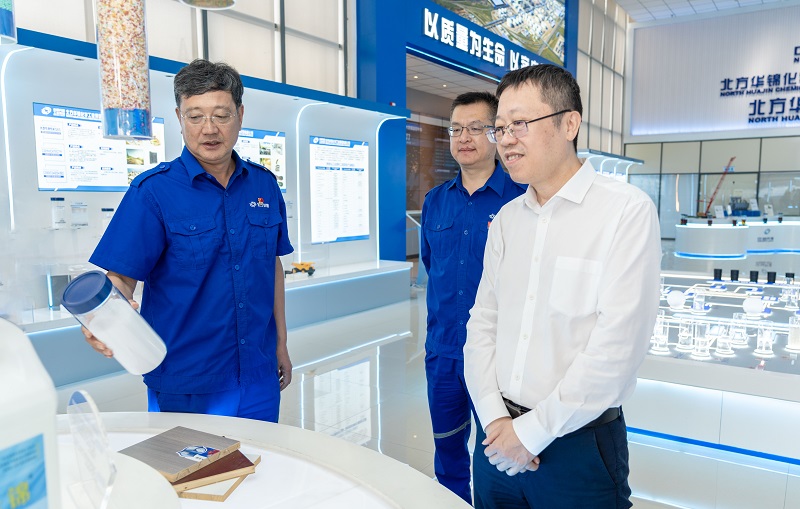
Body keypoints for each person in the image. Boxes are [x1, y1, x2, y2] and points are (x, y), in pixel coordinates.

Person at [464, 64, 661, 508]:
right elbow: (483, 323)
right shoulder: (508, 220)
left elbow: (617, 347)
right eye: (500, 128)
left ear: (569, 124)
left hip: (577, 446)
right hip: (495, 439)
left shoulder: (624, 212)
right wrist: (494, 420)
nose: (506, 139)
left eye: (520, 123)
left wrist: (531, 434)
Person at [84, 59, 293, 422]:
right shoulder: (153, 191)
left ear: (240, 115)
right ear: (180, 118)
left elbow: (271, 266)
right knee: (189, 461)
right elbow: (122, 276)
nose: (209, 129)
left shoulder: (264, 185)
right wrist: (102, 317)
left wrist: (281, 344)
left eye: (221, 115)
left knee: (260, 457)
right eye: (195, 117)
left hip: (258, 376)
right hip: (185, 381)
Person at [420, 91, 526, 504]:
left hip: (500, 358)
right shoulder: (435, 202)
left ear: (497, 134)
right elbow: (432, 265)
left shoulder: (521, 199)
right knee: (447, 452)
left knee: (498, 456)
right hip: (444, 352)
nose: (464, 137)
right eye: (456, 129)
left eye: (476, 128)